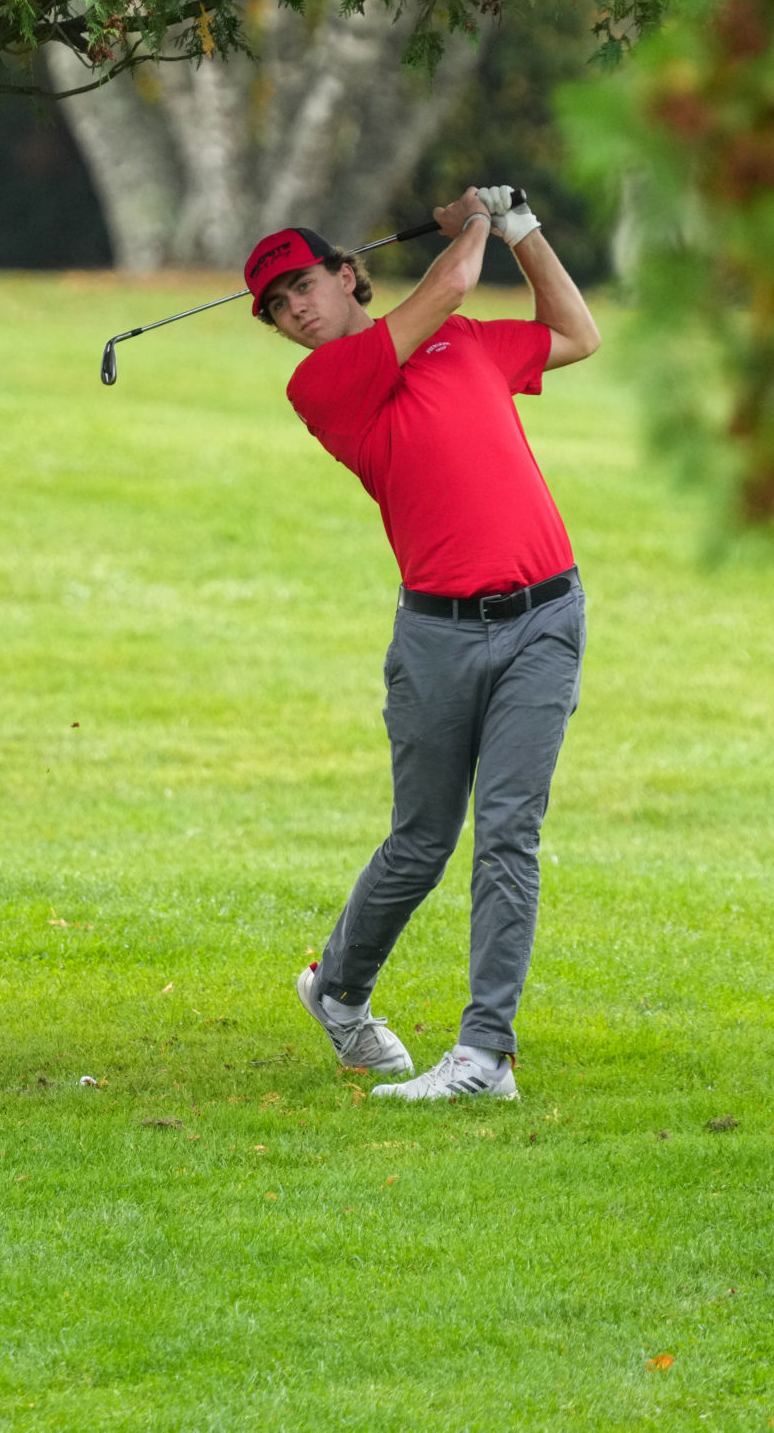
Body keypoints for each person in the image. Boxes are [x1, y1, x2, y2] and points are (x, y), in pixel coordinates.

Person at [255, 185, 597, 1101]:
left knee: (508, 836)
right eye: (278, 307)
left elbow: (576, 334)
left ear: (345, 273)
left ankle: (485, 1055)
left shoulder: (470, 342)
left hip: (544, 619)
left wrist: (524, 228)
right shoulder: (323, 384)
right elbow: (444, 288)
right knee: (421, 839)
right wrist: (476, 221)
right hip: (438, 639)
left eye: (303, 286)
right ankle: (338, 991)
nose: (295, 311)